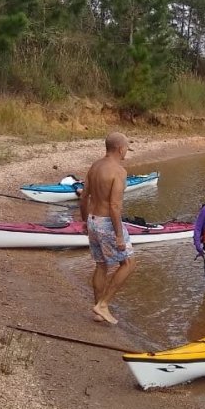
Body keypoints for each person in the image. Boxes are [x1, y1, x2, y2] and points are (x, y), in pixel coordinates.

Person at [78, 132, 136, 324]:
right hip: (107, 222)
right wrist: (119, 235)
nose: (126, 151)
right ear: (121, 149)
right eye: (126, 147)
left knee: (101, 264)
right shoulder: (118, 171)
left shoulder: (95, 166)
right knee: (128, 264)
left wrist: (86, 221)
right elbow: (114, 206)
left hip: (93, 220)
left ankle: (97, 311)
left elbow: (84, 196)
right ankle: (103, 304)